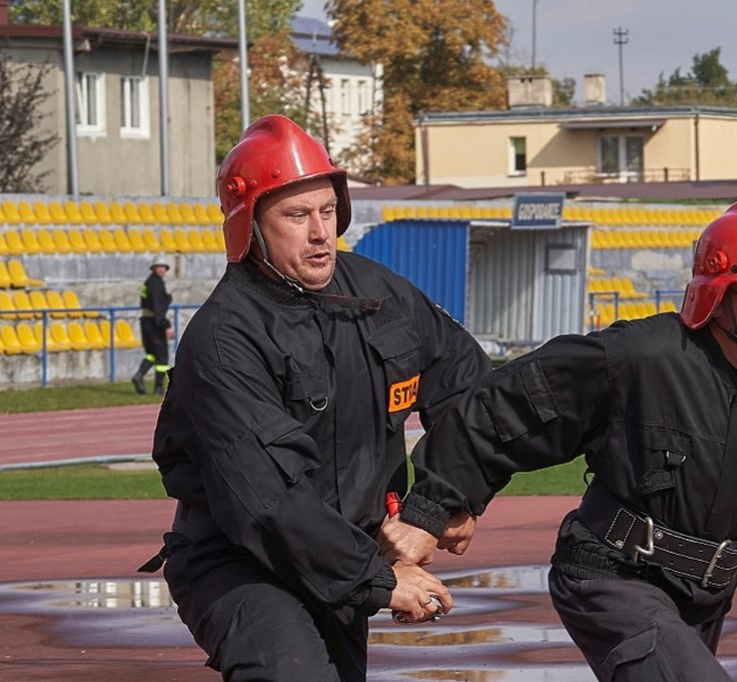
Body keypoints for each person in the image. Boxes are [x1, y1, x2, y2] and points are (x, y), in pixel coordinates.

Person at [380, 197, 737, 681]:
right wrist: (433, 510)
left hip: (704, 596)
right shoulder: (638, 358)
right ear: (717, 295)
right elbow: (502, 411)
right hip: (610, 578)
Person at [138, 114, 491, 681]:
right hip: (242, 564)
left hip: (344, 558)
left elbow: (470, 386)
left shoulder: (379, 294)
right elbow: (268, 502)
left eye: (328, 210)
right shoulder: (224, 340)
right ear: (249, 225)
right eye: (297, 215)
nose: (320, 232)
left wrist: (446, 503)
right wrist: (379, 580)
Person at [131, 256, 173, 396]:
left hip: (146, 321)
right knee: (162, 357)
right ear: (154, 268)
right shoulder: (155, 284)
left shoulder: (150, 282)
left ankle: (139, 375)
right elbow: (158, 306)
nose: (161, 269)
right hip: (155, 322)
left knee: (152, 354)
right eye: (158, 267)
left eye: (163, 267)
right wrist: (165, 324)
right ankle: (159, 387)